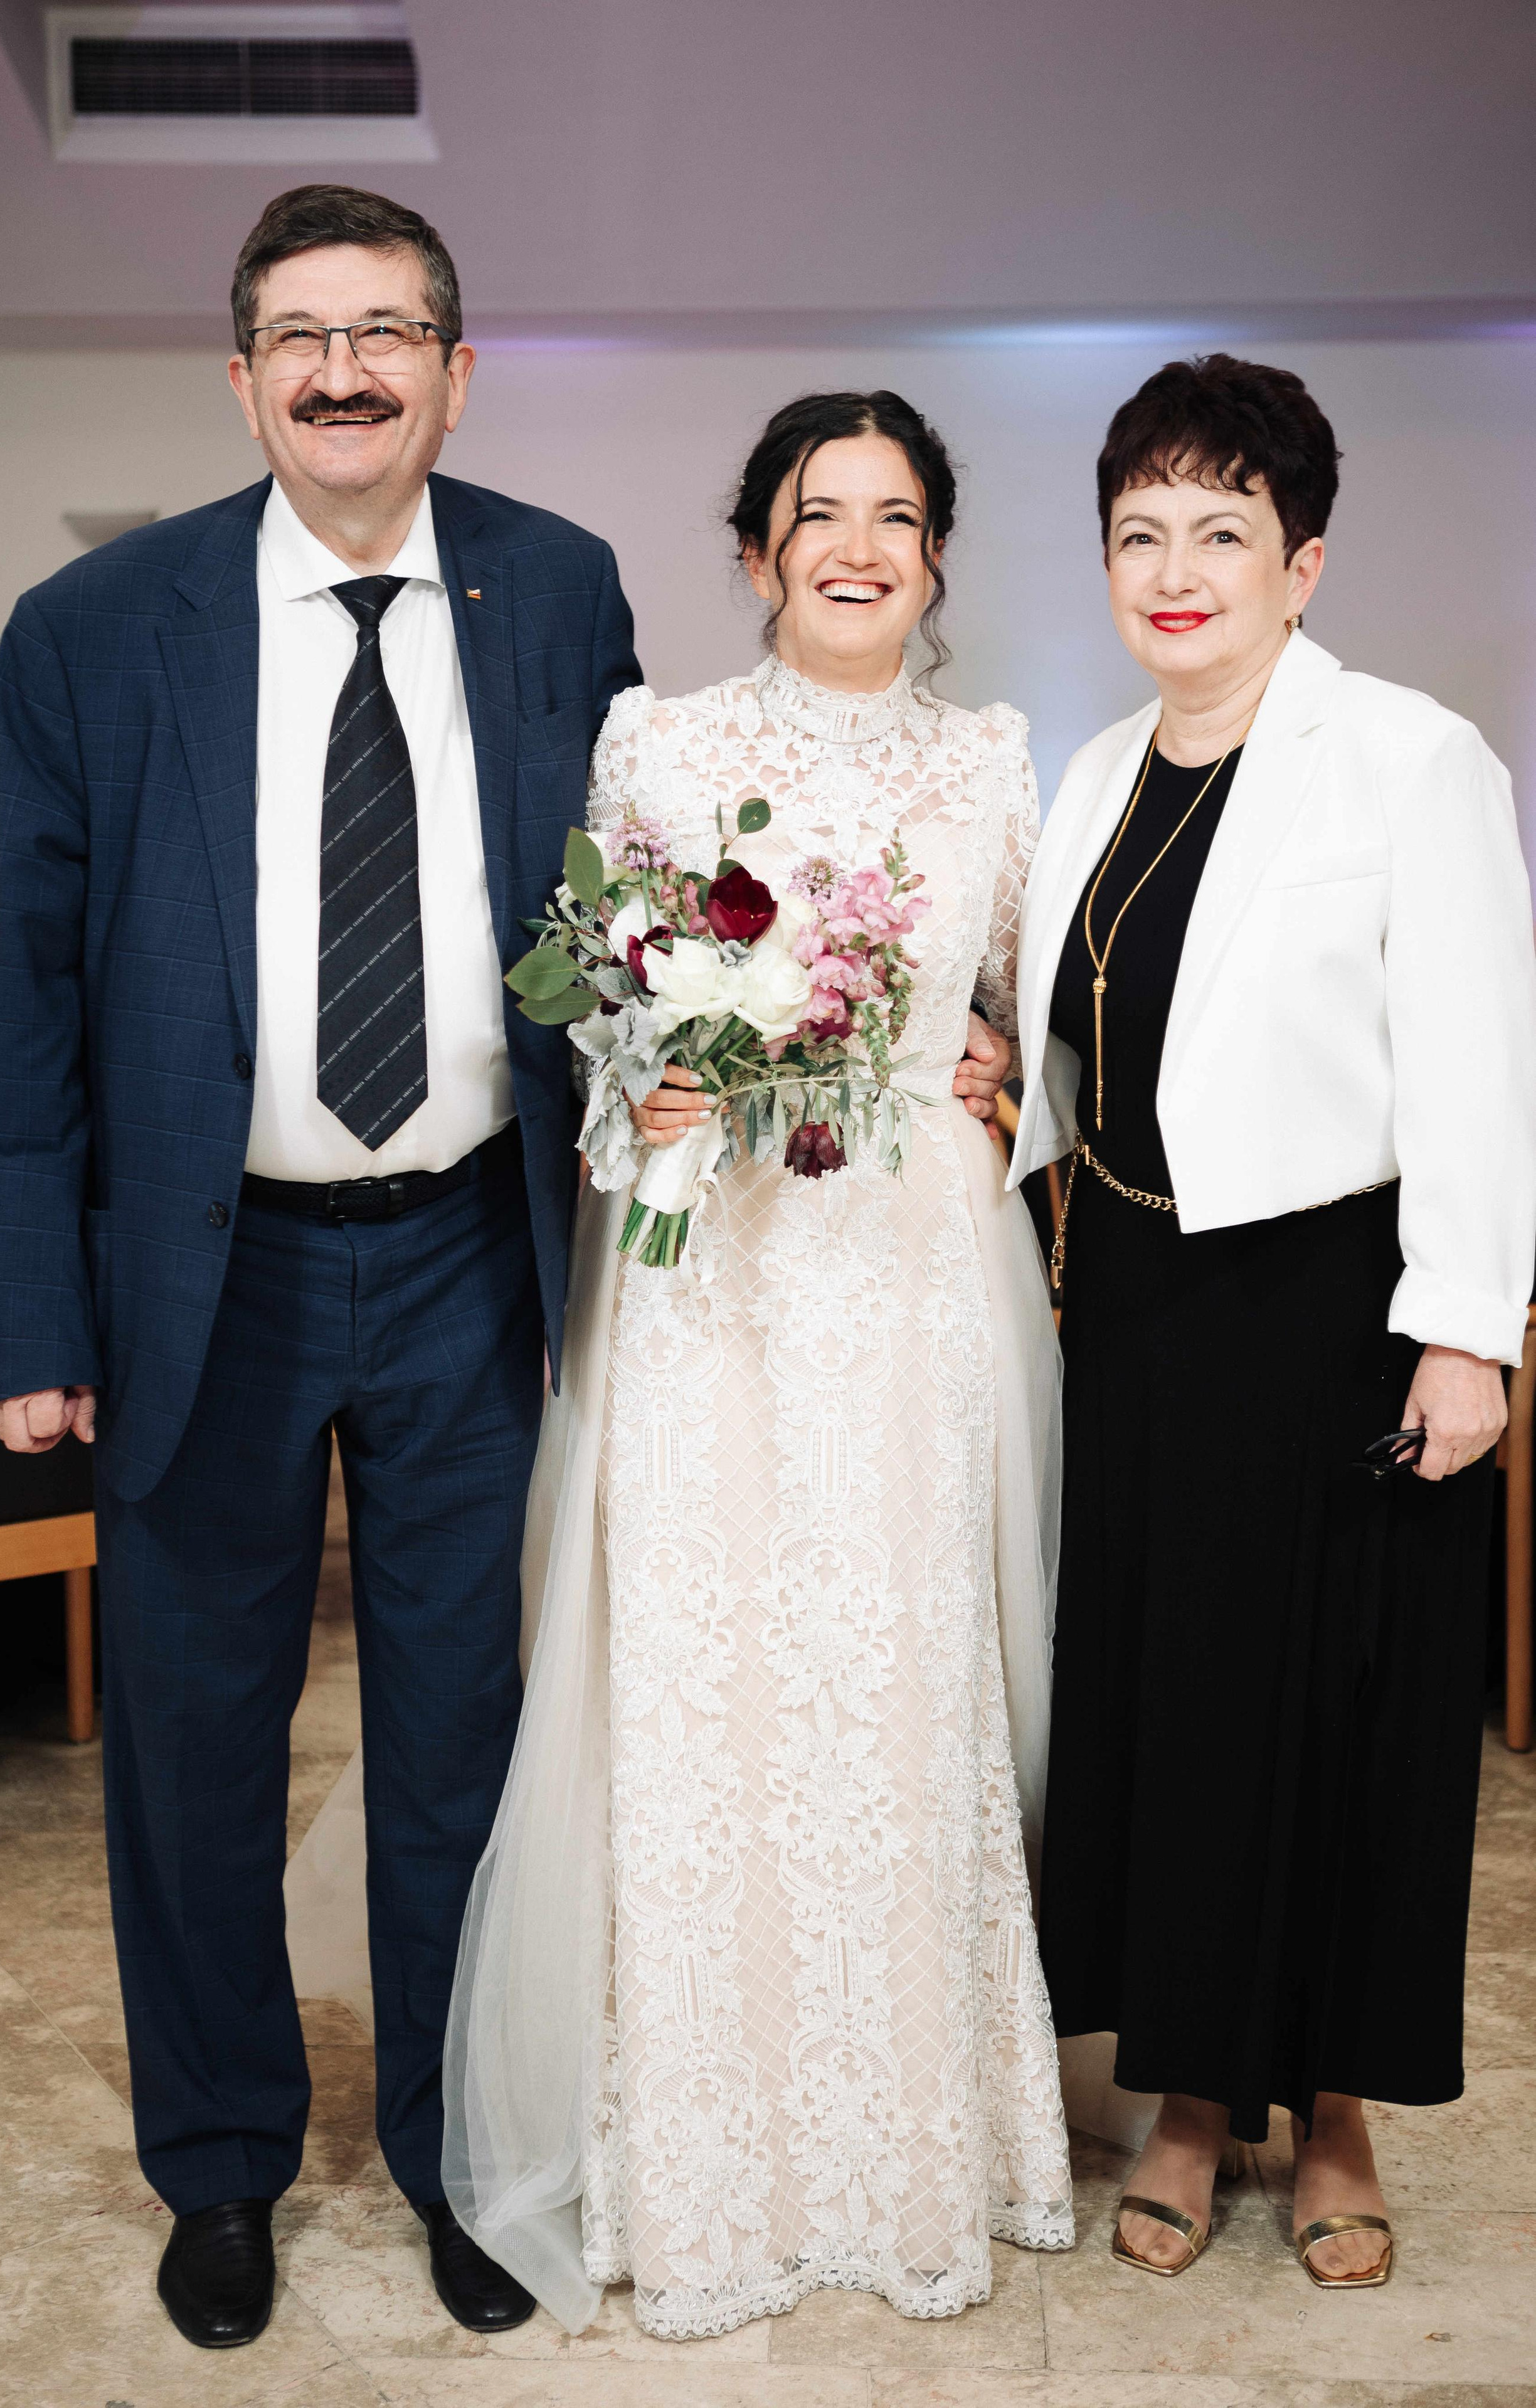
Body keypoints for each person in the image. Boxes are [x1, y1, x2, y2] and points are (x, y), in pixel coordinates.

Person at [0, 183, 642, 2349]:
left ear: (456, 363)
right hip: (199, 1277)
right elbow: (30, 1001)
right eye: (301, 334)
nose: (345, 368)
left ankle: (452, 2157)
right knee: (191, 1745)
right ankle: (225, 2164)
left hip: (464, 1260)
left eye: (389, 329)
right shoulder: (95, 627)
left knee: (459, 1743)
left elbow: (629, 928)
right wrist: (35, 1319)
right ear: (240, 375)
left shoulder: (558, 591)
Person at [436, 389, 1074, 2340]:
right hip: (708, 1270)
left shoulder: (993, 763)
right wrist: (662, 1077)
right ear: (757, 549)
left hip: (905, 1283)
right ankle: (692, 2144)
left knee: (889, 1687)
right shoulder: (665, 740)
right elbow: (590, 998)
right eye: (821, 513)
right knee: (704, 1689)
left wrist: (1008, 1082)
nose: (859, 545)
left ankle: (911, 2143)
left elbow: (1062, 1020)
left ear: (938, 554)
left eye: (896, 514)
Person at [1010, 354, 1536, 2288]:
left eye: (1221, 530)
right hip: (1139, 1300)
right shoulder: (1092, 772)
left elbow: (1486, 1058)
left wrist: (1469, 1331)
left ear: (1301, 562)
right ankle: (1190, 2093)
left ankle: (1335, 2115)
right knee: (1170, 1712)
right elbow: (1079, 1040)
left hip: (1342, 1308)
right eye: (1140, 531)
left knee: (1348, 1718)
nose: (1176, 567)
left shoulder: (1407, 756)